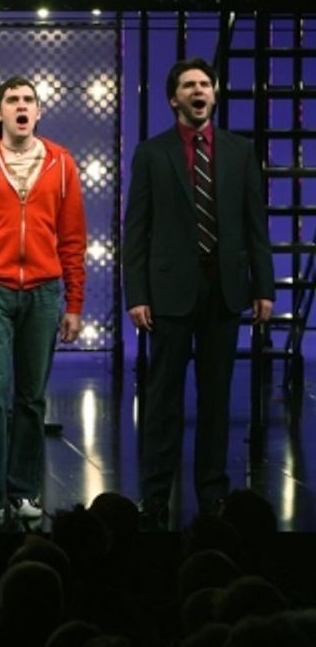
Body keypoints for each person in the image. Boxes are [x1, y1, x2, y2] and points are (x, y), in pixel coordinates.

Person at [123, 57, 273, 529]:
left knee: (216, 398)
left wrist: (263, 286)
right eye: (189, 85)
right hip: (169, 291)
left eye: (205, 84)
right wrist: (136, 293)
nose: (198, 90)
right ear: (175, 99)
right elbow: (136, 230)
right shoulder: (153, 153)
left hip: (224, 289)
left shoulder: (239, 151)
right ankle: (155, 494)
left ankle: (212, 494)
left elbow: (255, 224)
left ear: (215, 94)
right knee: (163, 398)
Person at [0, 76, 86, 525]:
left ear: (38, 112)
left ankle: (24, 490)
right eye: (12, 100)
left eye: (29, 100)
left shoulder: (62, 163)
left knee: (31, 398)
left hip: (44, 292)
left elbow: (73, 238)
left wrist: (74, 303)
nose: (21, 106)